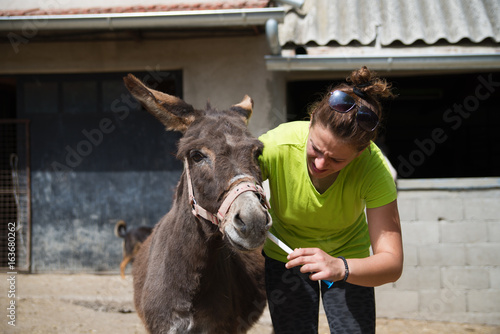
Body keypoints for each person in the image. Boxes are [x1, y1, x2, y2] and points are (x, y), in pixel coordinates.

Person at [259, 66, 403, 334]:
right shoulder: (277, 144)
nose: (321, 163)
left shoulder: (374, 170)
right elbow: (231, 172)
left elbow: (392, 263)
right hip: (287, 255)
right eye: (315, 148)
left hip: (348, 257)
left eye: (337, 159)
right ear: (311, 119)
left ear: (360, 154)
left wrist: (339, 266)